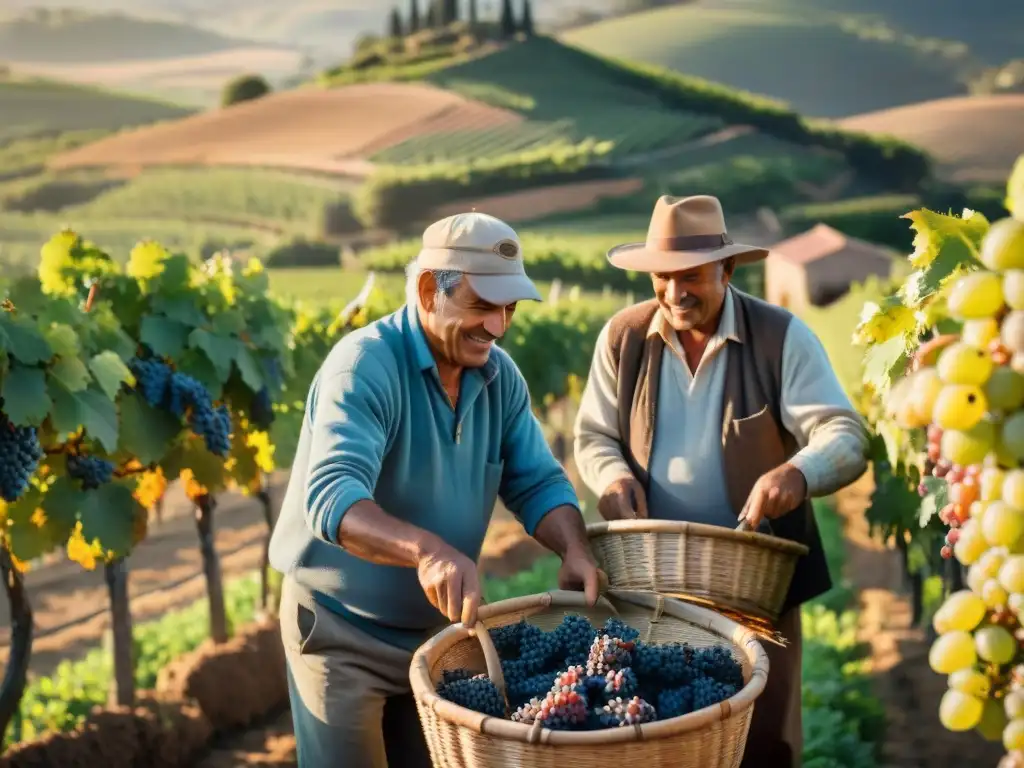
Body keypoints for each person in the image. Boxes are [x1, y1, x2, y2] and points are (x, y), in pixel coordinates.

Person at [268, 210, 602, 768]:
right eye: (481, 306)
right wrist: (427, 552)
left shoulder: (500, 378)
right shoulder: (364, 366)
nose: (498, 326)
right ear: (429, 290)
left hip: (437, 638)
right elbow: (332, 495)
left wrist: (574, 547)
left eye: (509, 309)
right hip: (340, 633)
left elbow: (537, 480)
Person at [572, 194, 868, 768]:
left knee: (761, 740)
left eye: (692, 277)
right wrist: (609, 477)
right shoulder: (623, 337)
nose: (676, 293)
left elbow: (845, 434)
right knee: (657, 735)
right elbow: (592, 437)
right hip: (650, 588)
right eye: (663, 277)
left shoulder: (781, 337)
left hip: (755, 592)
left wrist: (798, 472)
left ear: (727, 270)